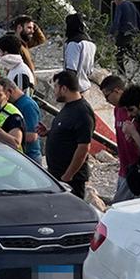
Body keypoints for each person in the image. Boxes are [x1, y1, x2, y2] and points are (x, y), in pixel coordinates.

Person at [44, 71, 96, 200]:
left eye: (56, 87)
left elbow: (83, 147)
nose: (54, 91)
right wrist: (49, 132)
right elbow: (68, 132)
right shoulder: (68, 107)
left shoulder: (82, 112)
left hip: (70, 179)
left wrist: (69, 175)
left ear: (64, 88)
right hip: (57, 174)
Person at [102, 74, 140, 188]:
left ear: (117, 91)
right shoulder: (117, 110)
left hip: (137, 169)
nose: (106, 101)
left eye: (107, 96)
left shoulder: (135, 110)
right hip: (124, 169)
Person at [62, 13, 98, 84]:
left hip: (75, 87)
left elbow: (71, 70)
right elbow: (90, 70)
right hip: (86, 85)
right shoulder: (91, 44)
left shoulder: (74, 44)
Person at [109, 0, 139, 65]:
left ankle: (121, 72)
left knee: (119, 52)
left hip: (123, 31)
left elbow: (116, 20)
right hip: (133, 30)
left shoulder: (120, 6)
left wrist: (111, 32)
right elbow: (139, 17)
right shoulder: (132, 4)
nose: (114, 1)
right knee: (129, 49)